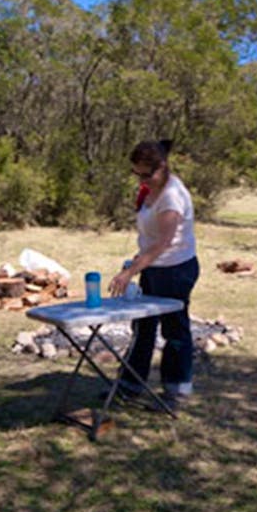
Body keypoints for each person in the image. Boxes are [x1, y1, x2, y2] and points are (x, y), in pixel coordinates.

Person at [109, 139, 199, 411]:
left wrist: (129, 272)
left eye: (147, 174)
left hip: (175, 270)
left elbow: (163, 243)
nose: (142, 180)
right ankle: (130, 385)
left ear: (163, 167)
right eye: (137, 174)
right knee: (143, 327)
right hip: (153, 267)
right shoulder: (152, 188)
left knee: (174, 330)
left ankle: (176, 393)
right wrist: (139, 263)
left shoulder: (171, 196)